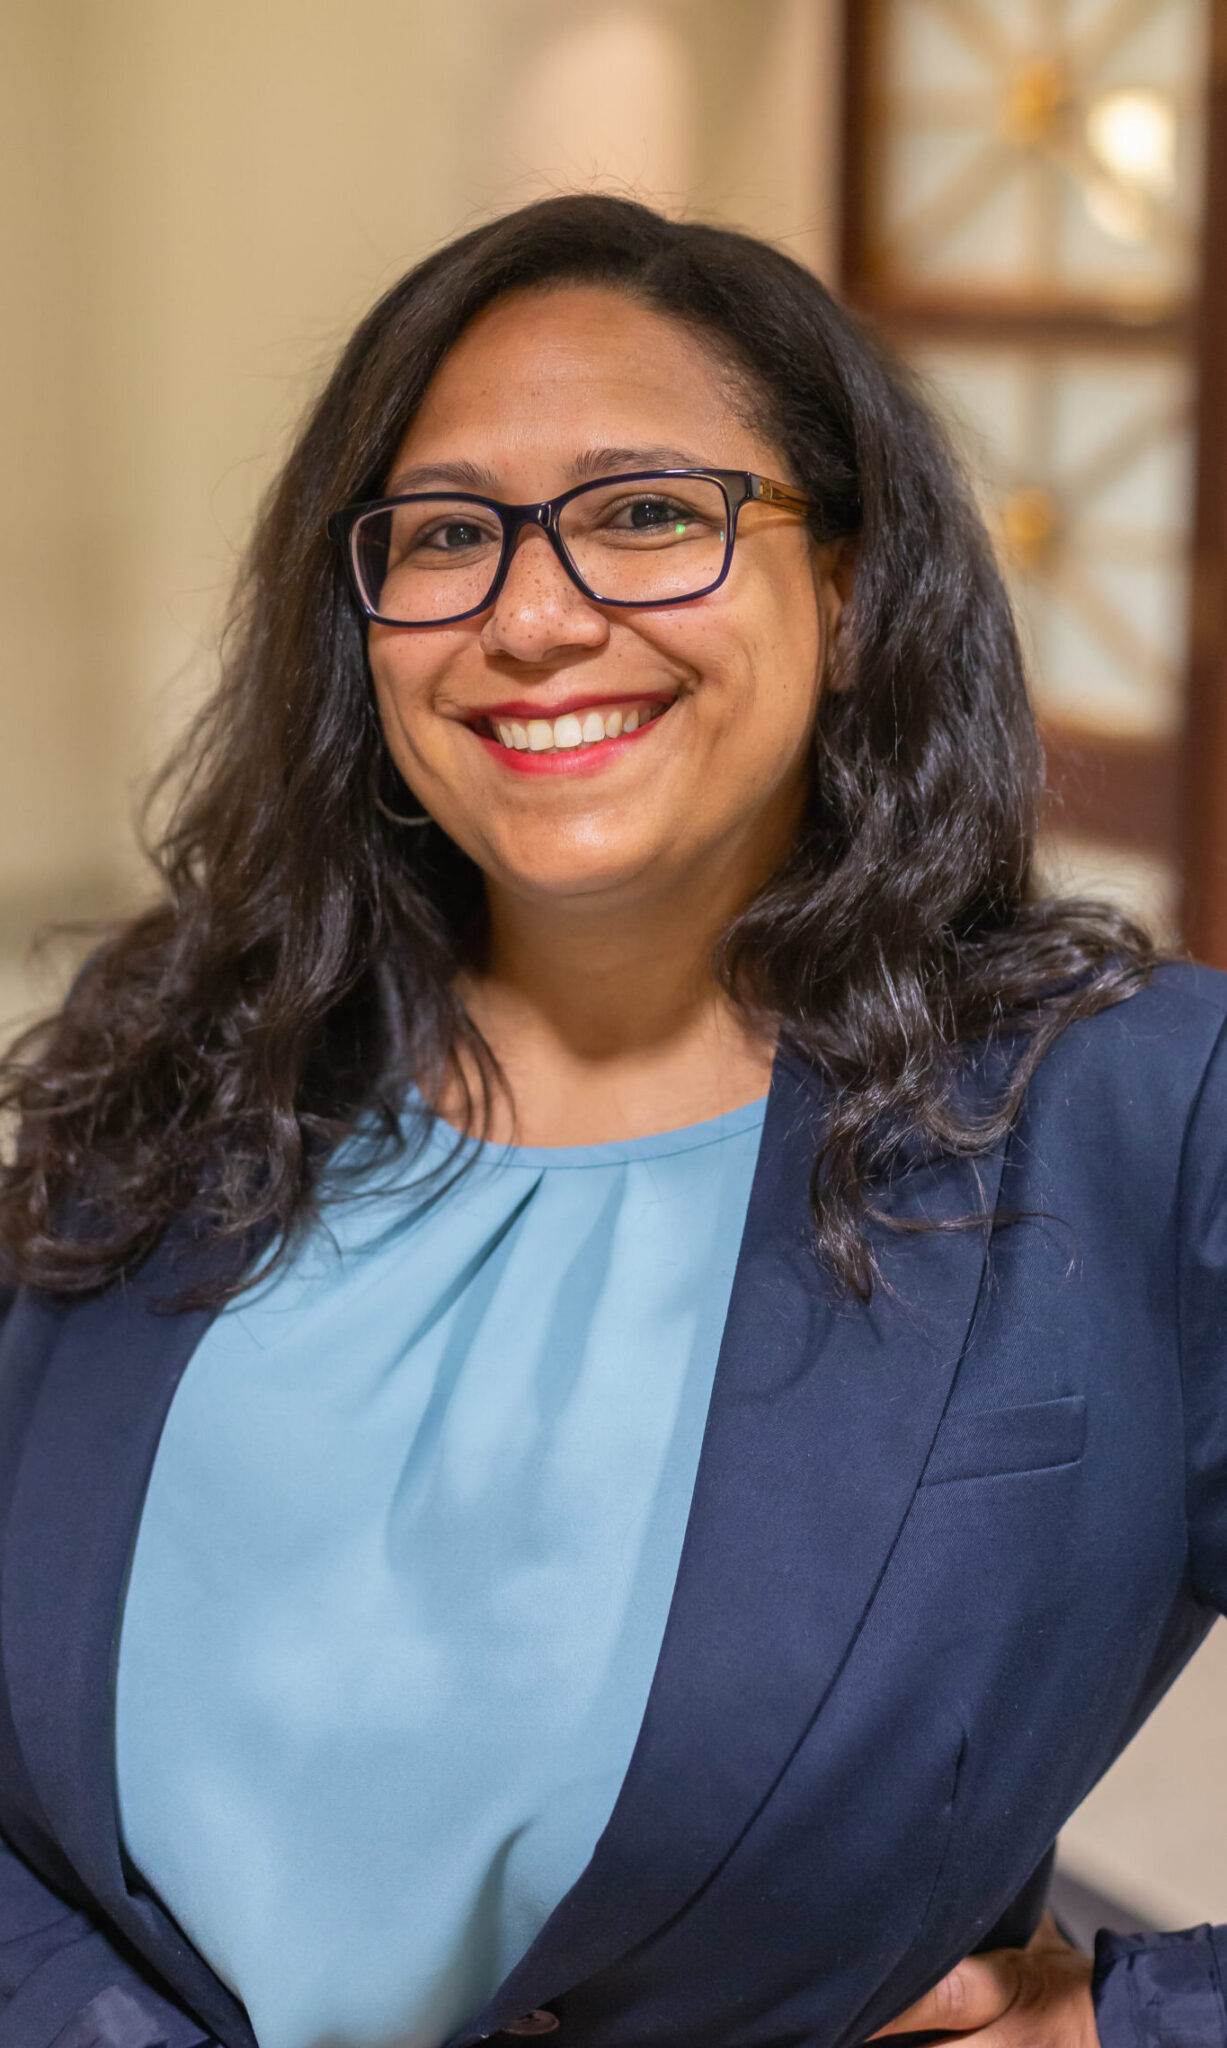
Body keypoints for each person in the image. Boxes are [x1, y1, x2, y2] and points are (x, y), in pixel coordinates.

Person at [0, 191, 1222, 2048]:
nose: (534, 617)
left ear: (850, 579)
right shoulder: (185, 1055)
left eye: (651, 513)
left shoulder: (1134, 1113)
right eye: (444, 537)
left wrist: (1129, 2029)